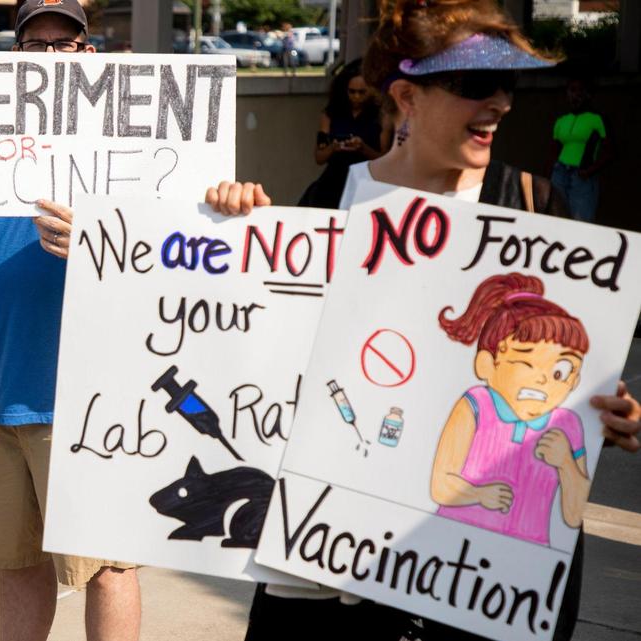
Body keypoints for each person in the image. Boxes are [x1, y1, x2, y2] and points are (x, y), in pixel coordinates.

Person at [202, 1, 641, 639]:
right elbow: (265, 347)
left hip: (472, 576)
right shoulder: (334, 198)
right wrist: (228, 227)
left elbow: (567, 377)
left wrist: (612, 412)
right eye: (473, 86)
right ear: (407, 95)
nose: (499, 103)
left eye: (507, 85)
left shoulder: (538, 209)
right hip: (331, 565)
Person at [0, 1, 141, 640]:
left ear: (88, 55)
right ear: (15, 58)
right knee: (18, 563)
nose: (48, 56)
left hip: (85, 402)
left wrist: (100, 239)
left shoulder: (132, 143)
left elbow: (163, 256)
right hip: (0, 399)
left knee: (107, 568)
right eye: (34, 44)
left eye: (62, 44)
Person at [431, 273, 591, 545]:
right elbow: (441, 485)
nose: (542, 379)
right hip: (453, 542)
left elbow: (574, 515)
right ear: (487, 365)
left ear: (574, 380)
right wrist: (477, 494)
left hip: (524, 562)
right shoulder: (476, 406)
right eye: (526, 363)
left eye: (561, 371)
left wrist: (565, 463)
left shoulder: (568, 426)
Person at [302, 59, 387, 207]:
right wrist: (333, 148)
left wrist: (363, 148)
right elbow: (319, 157)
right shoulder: (331, 114)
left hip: (366, 184)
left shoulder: (381, 117)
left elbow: (385, 159)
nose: (356, 97)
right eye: (352, 92)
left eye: (362, 92)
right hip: (333, 183)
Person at [550, 77, 612, 222]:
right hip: (559, 174)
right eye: (572, 90)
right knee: (555, 217)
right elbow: (553, 152)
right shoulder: (562, 120)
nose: (575, 95)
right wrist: (549, 176)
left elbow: (610, 152)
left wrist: (589, 171)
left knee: (580, 221)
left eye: (580, 91)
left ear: (588, 94)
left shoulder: (597, 119)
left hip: (582, 175)